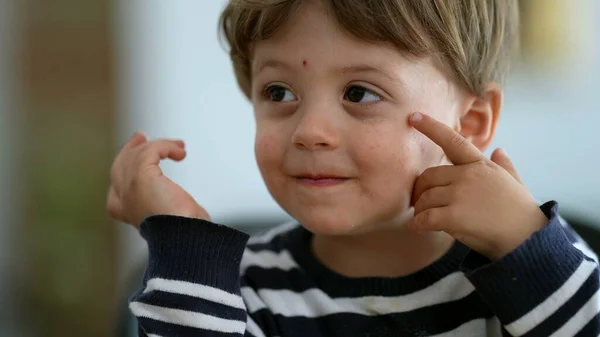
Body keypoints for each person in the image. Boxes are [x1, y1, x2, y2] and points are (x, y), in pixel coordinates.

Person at [107, 0, 600, 336]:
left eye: (360, 93)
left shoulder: (529, 267)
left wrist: (529, 247)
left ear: (470, 122)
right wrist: (182, 242)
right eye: (279, 93)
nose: (310, 130)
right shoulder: (235, 287)